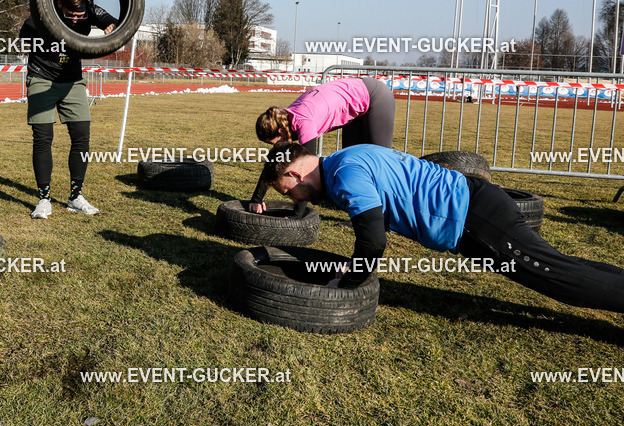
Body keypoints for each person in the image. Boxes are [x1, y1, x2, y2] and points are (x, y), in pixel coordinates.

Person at [256, 141, 624, 313]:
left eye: (288, 192)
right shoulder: (346, 157)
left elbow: (373, 240)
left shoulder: (344, 175)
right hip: (477, 205)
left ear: (295, 173)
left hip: (477, 219)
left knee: (556, 277)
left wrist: (348, 284)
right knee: (561, 266)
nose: (294, 199)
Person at [18, 0, 117, 219]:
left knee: (82, 137)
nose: (74, 19)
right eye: (70, 15)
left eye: (79, 16)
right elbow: (23, 39)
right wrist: (49, 35)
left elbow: (113, 22)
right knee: (43, 138)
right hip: (42, 78)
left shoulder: (89, 9)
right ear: (60, 4)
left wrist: (109, 31)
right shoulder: (43, 13)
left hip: (72, 81)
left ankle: (75, 197)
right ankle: (44, 199)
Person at [250, 76, 395, 213]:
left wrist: (298, 215)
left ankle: (386, 217)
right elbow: (275, 161)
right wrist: (256, 199)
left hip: (375, 96)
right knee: (352, 164)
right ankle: (359, 212)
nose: (276, 147)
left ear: (280, 131)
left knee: (380, 165)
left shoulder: (304, 123)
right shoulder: (284, 119)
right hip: (355, 103)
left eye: (275, 143)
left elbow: (307, 173)